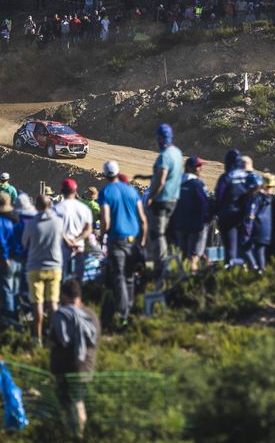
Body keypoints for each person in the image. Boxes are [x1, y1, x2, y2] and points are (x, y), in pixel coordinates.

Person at [99, 160, 147, 327]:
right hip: (133, 240)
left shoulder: (105, 192)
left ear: (105, 174)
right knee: (129, 276)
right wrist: (142, 240)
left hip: (117, 239)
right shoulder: (132, 190)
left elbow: (105, 218)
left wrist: (102, 236)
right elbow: (143, 219)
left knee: (119, 276)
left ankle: (123, 313)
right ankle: (129, 310)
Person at [49, 279, 99, 437]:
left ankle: (74, 437)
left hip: (66, 368)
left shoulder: (62, 315)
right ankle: (79, 434)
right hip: (86, 367)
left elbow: (52, 341)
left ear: (64, 296)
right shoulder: (92, 315)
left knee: (70, 403)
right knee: (78, 400)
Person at [22, 194, 63, 343]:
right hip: (54, 265)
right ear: (50, 205)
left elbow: (24, 243)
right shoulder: (58, 222)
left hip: (35, 266)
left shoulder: (31, 224)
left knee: (37, 303)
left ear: (37, 207)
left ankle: (37, 338)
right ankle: (54, 336)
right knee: (53, 302)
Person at [146, 123, 184, 270]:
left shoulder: (165, 156)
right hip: (175, 199)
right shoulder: (178, 152)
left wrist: (150, 196)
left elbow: (161, 180)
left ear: (161, 139)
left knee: (157, 234)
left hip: (161, 201)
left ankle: (160, 267)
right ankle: (174, 263)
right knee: (170, 235)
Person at [171, 156, 211, 273]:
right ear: (190, 168)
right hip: (196, 227)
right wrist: (207, 219)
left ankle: (180, 281)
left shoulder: (176, 184)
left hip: (179, 226)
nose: (200, 169)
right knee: (193, 257)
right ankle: (190, 282)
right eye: (198, 167)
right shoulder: (197, 184)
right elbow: (205, 204)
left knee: (182, 257)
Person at [214, 149, 252, 266]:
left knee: (230, 250)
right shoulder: (248, 177)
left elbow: (219, 196)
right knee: (246, 248)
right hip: (246, 217)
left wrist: (216, 213)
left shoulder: (226, 177)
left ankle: (231, 273)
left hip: (228, 218)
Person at [0, 192, 24, 321]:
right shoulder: (16, 220)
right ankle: (16, 319)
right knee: (15, 291)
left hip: (6, 260)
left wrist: (4, 257)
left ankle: (9, 323)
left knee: (6, 292)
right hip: (18, 259)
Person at [53, 179, 92, 281]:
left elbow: (55, 228)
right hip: (78, 248)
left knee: (62, 280)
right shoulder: (84, 208)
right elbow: (88, 230)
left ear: (62, 191)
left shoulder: (56, 209)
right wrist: (76, 240)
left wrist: (67, 240)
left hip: (62, 248)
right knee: (78, 282)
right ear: (75, 191)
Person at [243, 175, 275, 271]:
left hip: (256, 227)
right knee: (260, 251)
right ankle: (260, 270)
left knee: (246, 248)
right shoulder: (269, 199)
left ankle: (255, 267)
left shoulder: (257, 197)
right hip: (266, 229)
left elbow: (251, 214)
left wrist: (247, 227)